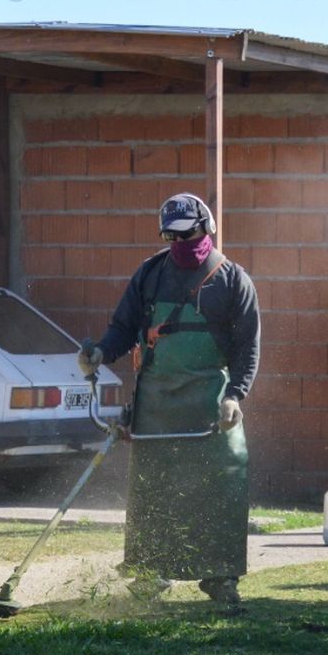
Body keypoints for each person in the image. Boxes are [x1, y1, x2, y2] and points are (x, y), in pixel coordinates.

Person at [79, 192, 260, 611]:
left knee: (221, 489)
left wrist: (236, 396)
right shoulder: (150, 274)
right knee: (154, 492)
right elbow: (123, 328)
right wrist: (102, 353)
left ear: (208, 229)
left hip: (214, 409)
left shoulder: (233, 281)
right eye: (172, 237)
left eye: (190, 235)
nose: (183, 245)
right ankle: (149, 574)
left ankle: (221, 578)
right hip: (156, 405)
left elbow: (248, 349)